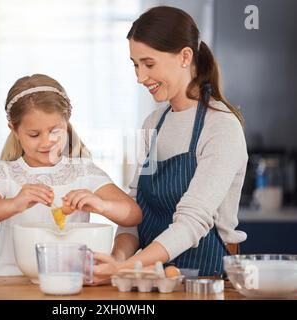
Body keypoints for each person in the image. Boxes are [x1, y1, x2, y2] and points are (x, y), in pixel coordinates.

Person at [93, 6, 248, 281]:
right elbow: (136, 207)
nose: (140, 77)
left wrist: (129, 266)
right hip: (151, 279)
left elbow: (192, 221)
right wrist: (118, 259)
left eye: (149, 64)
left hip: (207, 281)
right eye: (135, 64)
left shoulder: (221, 126)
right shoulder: (153, 124)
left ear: (185, 56)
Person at [0, 74, 142, 275]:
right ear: (14, 130)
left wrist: (102, 205)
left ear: (66, 123)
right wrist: (14, 204)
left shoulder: (84, 171)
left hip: (72, 281)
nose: (46, 141)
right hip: (11, 283)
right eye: (34, 134)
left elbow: (133, 215)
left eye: (55, 131)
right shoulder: (6, 172)